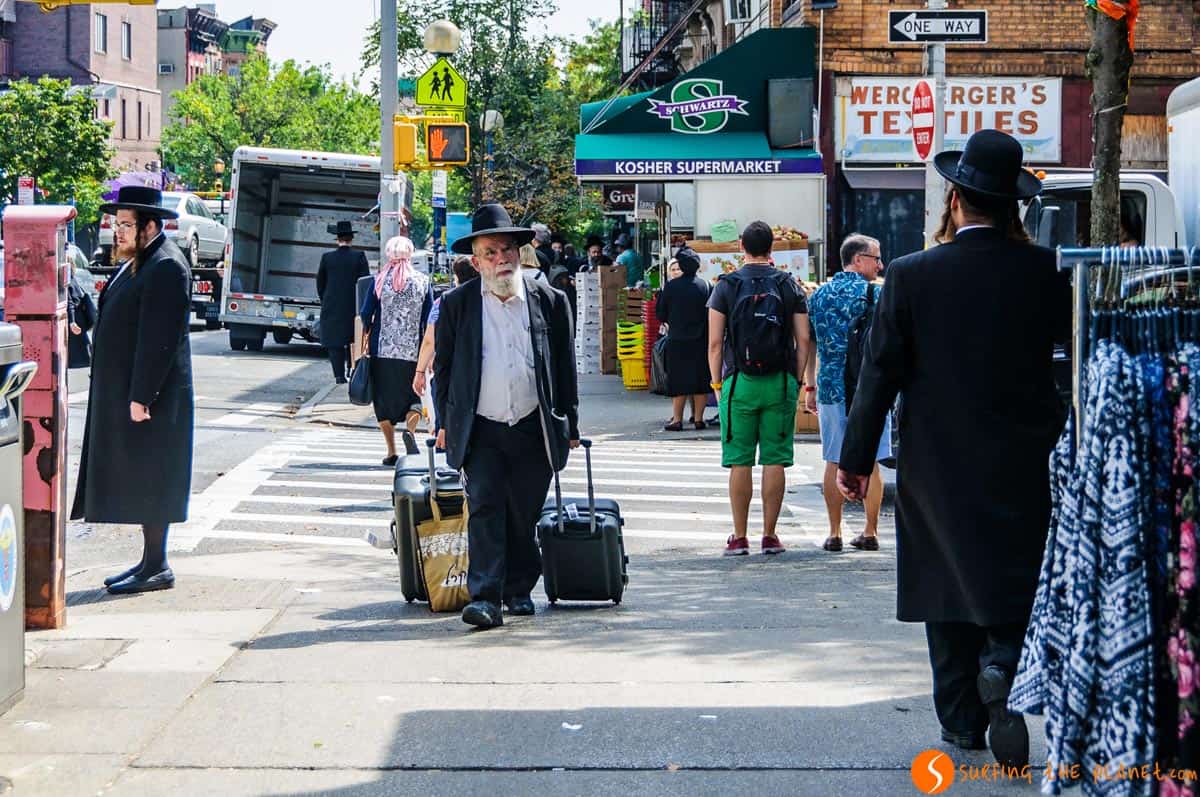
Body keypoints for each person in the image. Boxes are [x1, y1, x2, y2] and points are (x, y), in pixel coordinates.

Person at [837, 130, 1071, 769]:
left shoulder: (910, 276)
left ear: (957, 198)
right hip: (1025, 458)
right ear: (1012, 204)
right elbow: (1069, 367)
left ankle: (963, 719)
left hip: (936, 460)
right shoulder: (1050, 273)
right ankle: (1004, 662)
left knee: (944, 580)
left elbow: (878, 375)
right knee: (1014, 573)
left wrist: (854, 460)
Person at [434, 204, 579, 630]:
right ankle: (485, 597)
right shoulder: (458, 305)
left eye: (507, 250)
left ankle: (518, 588)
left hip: (534, 423)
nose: (501, 260)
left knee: (523, 512)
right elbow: (445, 368)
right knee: (485, 507)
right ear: (475, 261)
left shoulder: (549, 301)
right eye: (491, 252)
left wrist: (569, 420)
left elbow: (565, 365)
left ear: (520, 254)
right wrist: (444, 420)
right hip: (481, 425)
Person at [71, 185, 194, 595]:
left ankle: (157, 566)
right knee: (144, 477)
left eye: (126, 225)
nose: (116, 232)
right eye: (116, 223)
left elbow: (160, 339)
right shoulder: (142, 260)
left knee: (154, 477)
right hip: (137, 393)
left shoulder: (166, 265)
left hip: (155, 399)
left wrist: (142, 396)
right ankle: (149, 561)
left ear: (150, 226)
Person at [707, 221, 813, 557]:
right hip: (780, 381)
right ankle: (770, 535)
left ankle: (739, 537)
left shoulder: (726, 285)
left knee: (740, 462)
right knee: (774, 460)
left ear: (742, 246)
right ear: (773, 248)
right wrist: (796, 380)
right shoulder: (788, 284)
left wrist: (718, 385)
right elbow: (804, 339)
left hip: (739, 383)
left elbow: (713, 343)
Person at [806, 233, 891, 553]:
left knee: (832, 459)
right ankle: (870, 531)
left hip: (831, 388)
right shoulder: (880, 294)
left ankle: (834, 532)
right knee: (870, 461)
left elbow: (809, 345)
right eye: (875, 258)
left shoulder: (819, 296)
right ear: (858, 259)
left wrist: (810, 386)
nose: (880, 264)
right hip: (871, 388)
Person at [359, 236, 433, 467]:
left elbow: (365, 313)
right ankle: (410, 430)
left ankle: (391, 451)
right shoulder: (422, 280)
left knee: (382, 399)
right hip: (413, 350)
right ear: (410, 254)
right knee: (413, 396)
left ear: (390, 254)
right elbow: (430, 316)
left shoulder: (380, 280)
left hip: (382, 351)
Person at [413, 255, 478, 425]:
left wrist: (420, 373)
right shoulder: (486, 299)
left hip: (449, 371)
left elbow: (429, 340)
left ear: (456, 277)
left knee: (445, 423)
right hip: (478, 371)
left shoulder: (443, 301)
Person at [657, 248, 712, 432]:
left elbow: (660, 313)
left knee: (678, 381)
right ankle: (698, 419)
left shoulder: (671, 287)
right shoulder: (706, 285)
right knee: (701, 381)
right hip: (701, 340)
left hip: (677, 340)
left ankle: (677, 420)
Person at [317, 220, 370, 384]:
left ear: (337, 238)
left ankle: (339, 376)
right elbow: (364, 282)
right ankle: (352, 370)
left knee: (335, 342)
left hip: (332, 305)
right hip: (353, 306)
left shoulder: (327, 258)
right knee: (353, 340)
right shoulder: (359, 256)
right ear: (351, 238)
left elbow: (320, 283)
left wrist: (325, 299)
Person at [66, 258, 97, 370]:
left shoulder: (67, 281)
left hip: (76, 321)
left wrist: (72, 321)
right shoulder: (73, 279)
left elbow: (70, 302)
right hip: (81, 320)